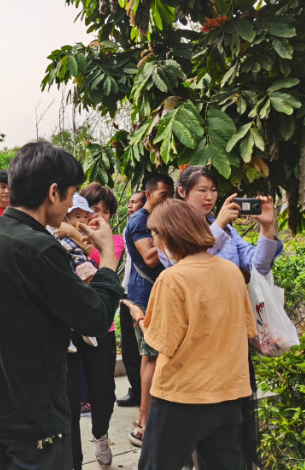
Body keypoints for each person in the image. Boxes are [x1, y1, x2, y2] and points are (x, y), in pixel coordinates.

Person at [0, 141, 124, 470]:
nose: (69, 206)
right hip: (33, 416)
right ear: (53, 192)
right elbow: (94, 318)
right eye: (70, 194)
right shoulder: (39, 248)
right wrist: (108, 257)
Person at [122, 199, 257, 470]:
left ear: (169, 235)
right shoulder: (231, 272)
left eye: (155, 233)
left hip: (181, 397)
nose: (153, 240)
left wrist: (140, 317)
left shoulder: (173, 278)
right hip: (228, 394)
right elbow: (246, 329)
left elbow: (162, 342)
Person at [165, 165, 283, 469]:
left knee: (237, 418)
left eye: (213, 190)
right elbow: (180, 262)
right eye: (201, 190)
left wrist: (267, 229)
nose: (209, 196)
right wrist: (215, 226)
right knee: (206, 422)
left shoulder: (228, 230)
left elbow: (258, 266)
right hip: (199, 342)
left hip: (233, 335)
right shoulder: (172, 225)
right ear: (182, 192)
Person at [54, 183, 125, 468]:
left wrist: (73, 232)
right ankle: (72, 458)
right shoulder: (56, 238)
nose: (96, 218)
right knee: (69, 398)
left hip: (100, 329)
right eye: (91, 211)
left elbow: (101, 270)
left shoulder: (114, 241)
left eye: (103, 213)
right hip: (68, 329)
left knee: (103, 392)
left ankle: (101, 435)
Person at [124, 173, 174, 447]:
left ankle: (145, 418)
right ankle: (143, 423)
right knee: (151, 357)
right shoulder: (140, 221)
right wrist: (176, 235)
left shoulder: (153, 219)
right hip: (145, 297)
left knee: (149, 357)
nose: (168, 201)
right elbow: (150, 258)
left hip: (153, 293)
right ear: (149, 195)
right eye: (164, 196)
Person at [118, 191, 146, 408]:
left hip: (141, 295)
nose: (129, 206)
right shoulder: (132, 228)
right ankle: (136, 390)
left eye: (134, 202)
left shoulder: (145, 229)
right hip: (127, 292)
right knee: (129, 350)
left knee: (143, 351)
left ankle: (142, 393)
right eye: (128, 202)